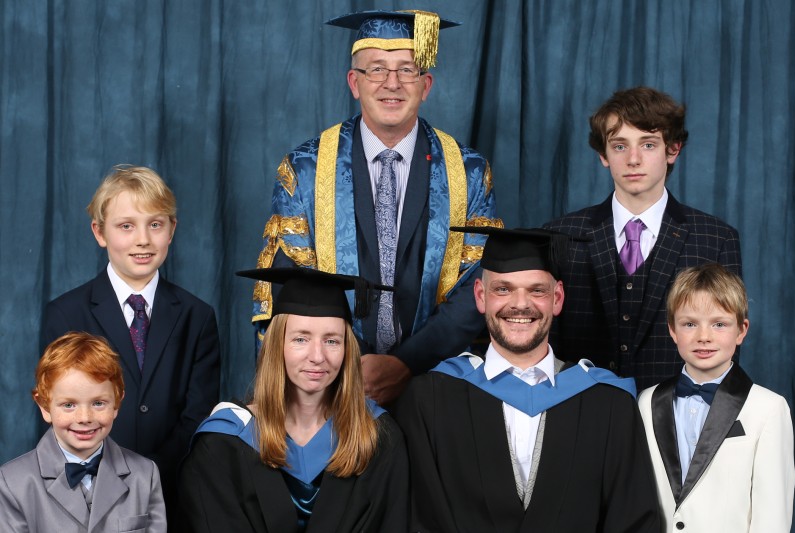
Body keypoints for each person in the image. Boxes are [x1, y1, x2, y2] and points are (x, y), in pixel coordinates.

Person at [252, 9, 501, 405]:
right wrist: (349, 367)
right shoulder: (306, 168)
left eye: (407, 70)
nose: (392, 84)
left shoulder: (467, 171)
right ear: (354, 82)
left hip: (434, 381)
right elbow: (288, 284)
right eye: (377, 70)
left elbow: (479, 287)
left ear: (426, 84)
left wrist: (405, 364)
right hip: (333, 384)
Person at [395, 226, 661, 532]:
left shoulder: (609, 404)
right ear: (481, 296)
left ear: (557, 299)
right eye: (503, 289)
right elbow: (417, 518)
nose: (520, 304)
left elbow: (633, 521)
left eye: (537, 290)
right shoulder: (430, 400)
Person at [41, 165, 221, 524]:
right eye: (126, 226)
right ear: (100, 232)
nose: (143, 239)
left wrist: (146, 478)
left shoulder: (197, 316)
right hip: (85, 497)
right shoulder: (65, 313)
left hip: (171, 495)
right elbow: (59, 409)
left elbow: (197, 416)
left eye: (155, 224)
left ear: (172, 230)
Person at [180, 268, 408, 532]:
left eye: (332, 341)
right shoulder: (223, 443)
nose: (317, 356)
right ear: (278, 346)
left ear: (348, 350)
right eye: (301, 339)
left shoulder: (377, 437)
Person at [544, 87, 741, 390]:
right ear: (603, 155)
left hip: (675, 420)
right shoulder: (562, 234)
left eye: (648, 145)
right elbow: (548, 341)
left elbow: (725, 352)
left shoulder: (716, 238)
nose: (633, 159)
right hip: (583, 415)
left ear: (672, 149)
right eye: (620, 146)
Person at [638, 263, 794, 532]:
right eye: (689, 324)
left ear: (741, 330)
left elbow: (772, 517)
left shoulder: (769, 408)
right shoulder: (647, 401)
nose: (704, 337)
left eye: (719, 324)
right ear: (673, 330)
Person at [0, 332, 167, 532]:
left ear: (116, 404)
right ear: (44, 407)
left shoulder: (145, 474)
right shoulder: (11, 482)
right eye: (69, 405)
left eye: (98, 403)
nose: (85, 417)